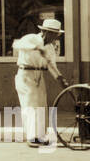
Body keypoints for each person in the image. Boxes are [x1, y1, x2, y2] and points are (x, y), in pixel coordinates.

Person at [12, 18, 66, 146]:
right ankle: (32, 137)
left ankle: (40, 136)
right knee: (30, 105)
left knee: (41, 104)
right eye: (53, 34)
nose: (54, 37)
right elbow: (16, 44)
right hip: (25, 74)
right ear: (45, 32)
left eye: (56, 34)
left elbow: (51, 65)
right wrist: (35, 47)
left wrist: (59, 78)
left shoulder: (50, 48)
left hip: (39, 75)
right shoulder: (31, 38)